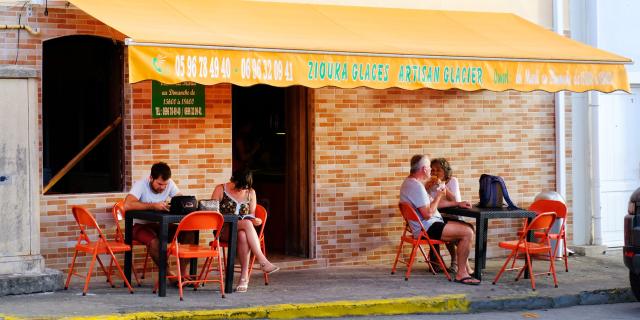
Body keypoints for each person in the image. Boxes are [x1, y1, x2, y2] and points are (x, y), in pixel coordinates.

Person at [399, 154, 480, 285]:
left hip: (426, 226)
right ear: (424, 169)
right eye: (430, 168)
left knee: (468, 228)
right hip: (427, 228)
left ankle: (463, 268)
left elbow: (432, 206)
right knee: (468, 232)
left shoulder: (409, 183)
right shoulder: (417, 187)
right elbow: (427, 214)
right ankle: (462, 274)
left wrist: (457, 204)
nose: (431, 171)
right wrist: (438, 196)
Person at [210, 168, 280, 292]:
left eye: (245, 187)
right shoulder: (220, 189)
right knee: (246, 224)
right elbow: (211, 213)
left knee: (243, 234)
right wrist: (247, 222)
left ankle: (244, 278)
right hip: (223, 229)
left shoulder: (250, 192)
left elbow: (251, 215)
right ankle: (262, 260)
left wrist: (256, 220)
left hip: (243, 229)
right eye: (240, 186)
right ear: (234, 180)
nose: (242, 189)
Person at [123, 162, 193, 278]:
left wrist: (177, 205)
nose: (163, 187)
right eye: (159, 184)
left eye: (165, 184)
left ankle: (182, 274)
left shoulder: (169, 183)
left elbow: (181, 201)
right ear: (151, 178)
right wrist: (153, 206)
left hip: (161, 225)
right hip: (139, 226)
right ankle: (169, 274)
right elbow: (127, 205)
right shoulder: (141, 184)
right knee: (155, 243)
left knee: (189, 233)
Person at [425, 158, 473, 275]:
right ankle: (439, 262)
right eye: (433, 170)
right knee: (438, 229)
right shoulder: (430, 183)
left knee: (457, 235)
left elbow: (456, 200)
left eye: (438, 170)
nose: (435, 173)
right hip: (438, 217)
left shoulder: (452, 181)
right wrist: (426, 188)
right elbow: (428, 204)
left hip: (453, 216)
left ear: (445, 171)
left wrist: (443, 187)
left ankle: (456, 263)